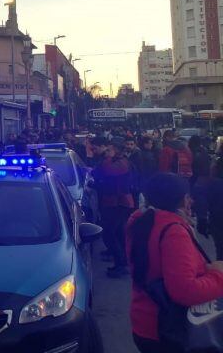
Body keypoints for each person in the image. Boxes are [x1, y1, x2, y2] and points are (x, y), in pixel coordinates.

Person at [127, 172, 223, 353]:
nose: (191, 202)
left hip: (145, 320)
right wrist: (218, 275)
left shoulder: (140, 220)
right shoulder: (173, 230)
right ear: (183, 200)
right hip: (168, 328)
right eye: (188, 197)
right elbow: (185, 291)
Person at [93, 141, 135, 278]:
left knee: (111, 233)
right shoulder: (113, 161)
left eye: (110, 149)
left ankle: (122, 264)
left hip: (120, 203)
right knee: (116, 233)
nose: (106, 151)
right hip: (112, 201)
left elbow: (109, 171)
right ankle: (121, 261)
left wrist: (108, 158)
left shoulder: (122, 162)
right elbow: (97, 172)